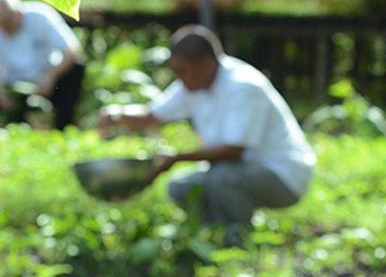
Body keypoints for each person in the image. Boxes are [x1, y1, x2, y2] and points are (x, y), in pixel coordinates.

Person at [98, 24, 316, 244]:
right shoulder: (193, 83)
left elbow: (235, 151)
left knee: (222, 178)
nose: (178, 77)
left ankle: (238, 242)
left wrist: (176, 157)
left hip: (283, 175)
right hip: (237, 170)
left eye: (181, 70)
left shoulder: (243, 86)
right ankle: (213, 236)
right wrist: (115, 114)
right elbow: (151, 116)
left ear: (204, 65)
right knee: (180, 187)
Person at [0, 0, 85, 130]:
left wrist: (50, 76)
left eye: (7, 24)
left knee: (76, 67)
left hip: (47, 76)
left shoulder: (40, 16)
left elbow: (72, 50)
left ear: (18, 15)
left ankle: (62, 127)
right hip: (13, 84)